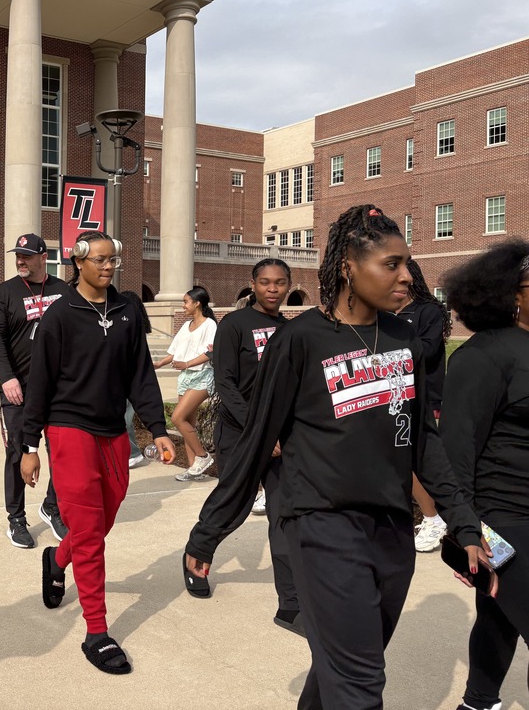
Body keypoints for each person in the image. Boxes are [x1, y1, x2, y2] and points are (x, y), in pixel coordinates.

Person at [184, 205, 489, 709]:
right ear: (348, 265)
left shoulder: (404, 339)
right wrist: (209, 533)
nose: (406, 278)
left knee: (340, 670)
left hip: (391, 531)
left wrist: (463, 520)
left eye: (407, 264)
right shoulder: (298, 340)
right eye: (391, 264)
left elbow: (421, 441)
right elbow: (258, 441)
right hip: (321, 525)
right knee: (362, 685)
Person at [22, 230, 175, 674]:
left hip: (113, 430)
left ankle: (57, 557)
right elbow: (40, 386)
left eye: (113, 261)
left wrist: (159, 430)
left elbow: (140, 374)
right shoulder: (59, 315)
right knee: (90, 531)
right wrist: (28, 447)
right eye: (100, 261)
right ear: (79, 262)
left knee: (104, 518)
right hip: (69, 429)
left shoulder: (127, 308)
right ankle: (97, 632)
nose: (109, 268)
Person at [439, 240, 529, 710]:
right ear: (513, 292)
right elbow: (456, 450)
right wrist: (465, 534)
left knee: (498, 620)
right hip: (506, 519)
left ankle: (477, 703)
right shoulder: (484, 356)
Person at [202, 258, 302, 631]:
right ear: (252, 284)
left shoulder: (290, 330)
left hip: (278, 441)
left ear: (289, 285)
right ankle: (198, 552)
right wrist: (260, 430)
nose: (272, 289)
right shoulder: (234, 325)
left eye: (279, 282)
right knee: (233, 508)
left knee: (283, 516)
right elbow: (225, 384)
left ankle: (289, 605)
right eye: (265, 282)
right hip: (239, 434)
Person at [0, 232, 69, 549]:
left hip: (58, 389)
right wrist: (6, 378)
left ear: (42, 257)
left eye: (26, 255)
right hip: (19, 390)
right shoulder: (5, 292)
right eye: (17, 255)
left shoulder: (63, 291)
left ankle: (53, 506)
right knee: (18, 454)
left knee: (62, 451)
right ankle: (16, 519)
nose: (20, 260)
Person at [394, 258, 451, 553]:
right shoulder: (387, 312)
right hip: (394, 396)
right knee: (398, 457)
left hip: (425, 396)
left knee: (421, 459)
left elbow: (428, 350)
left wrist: (393, 348)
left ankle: (435, 517)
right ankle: (422, 514)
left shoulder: (427, 311)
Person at [153, 287, 217, 480]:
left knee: (178, 417)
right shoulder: (186, 325)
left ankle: (202, 456)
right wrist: (159, 363)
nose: (184, 305)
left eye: (186, 301)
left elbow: (210, 353)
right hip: (185, 377)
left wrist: (187, 363)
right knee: (188, 423)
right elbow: (175, 352)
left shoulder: (210, 325)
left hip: (202, 376)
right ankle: (194, 469)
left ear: (197, 303)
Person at [120, 290, 151, 468]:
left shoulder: (134, 327)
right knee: (123, 417)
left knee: (125, 418)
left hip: (130, 380)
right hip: (123, 378)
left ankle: (133, 453)